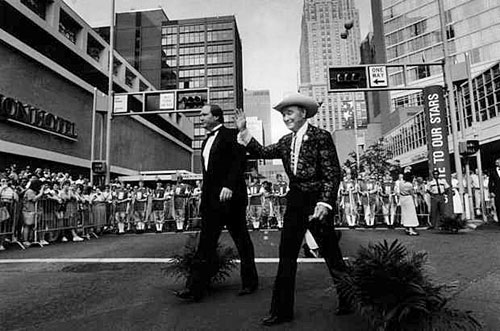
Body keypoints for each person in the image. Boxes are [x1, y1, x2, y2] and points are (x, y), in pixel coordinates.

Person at [235, 93, 350, 326]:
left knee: (332, 255)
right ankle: (281, 311)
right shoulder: (286, 141)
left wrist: (325, 202)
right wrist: (244, 131)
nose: (285, 117)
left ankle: (349, 298)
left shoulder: (321, 136)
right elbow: (263, 152)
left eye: (289, 112)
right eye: (283, 114)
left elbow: (332, 173)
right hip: (296, 201)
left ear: (303, 114)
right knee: (286, 256)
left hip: (317, 202)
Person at [175, 104, 258, 302]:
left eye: (204, 114)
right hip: (212, 203)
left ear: (216, 117)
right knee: (205, 245)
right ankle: (195, 289)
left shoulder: (231, 135)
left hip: (232, 200)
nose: (200, 117)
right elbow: (208, 176)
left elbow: (239, 162)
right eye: (201, 114)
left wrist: (229, 186)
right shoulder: (205, 143)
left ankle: (250, 282)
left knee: (242, 241)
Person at [488, 158, 500, 223]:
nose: (497, 163)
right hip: (497, 191)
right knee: (498, 205)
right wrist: (491, 191)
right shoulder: (493, 171)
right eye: (497, 162)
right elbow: (490, 182)